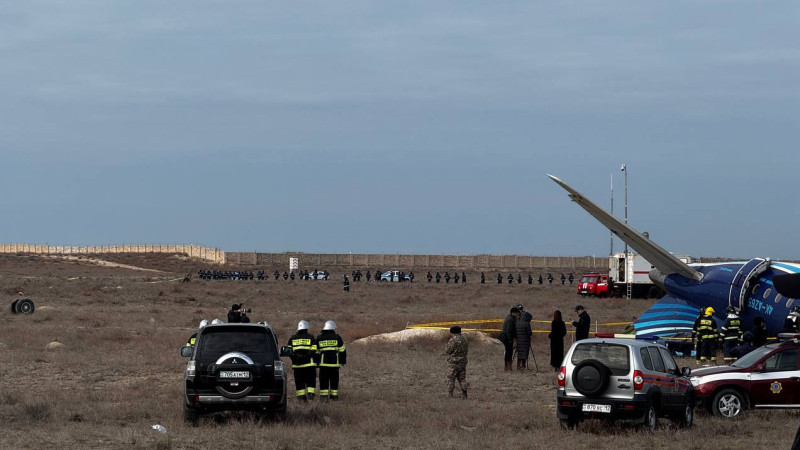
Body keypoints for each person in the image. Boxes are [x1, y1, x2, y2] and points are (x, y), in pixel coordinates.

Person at [286, 320, 318, 400]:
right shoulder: (310, 337)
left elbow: (288, 351)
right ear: (307, 328)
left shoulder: (292, 338)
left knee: (299, 382)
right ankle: (311, 395)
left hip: (297, 366)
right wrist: (306, 357)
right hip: (309, 365)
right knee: (310, 381)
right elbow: (314, 350)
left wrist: (295, 358)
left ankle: (301, 397)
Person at [315, 320, 346, 400]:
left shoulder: (319, 338)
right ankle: (334, 397)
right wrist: (342, 361)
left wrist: (316, 363)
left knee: (323, 381)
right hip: (334, 364)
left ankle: (323, 397)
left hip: (323, 365)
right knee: (334, 381)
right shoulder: (337, 337)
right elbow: (342, 350)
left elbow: (315, 351)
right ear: (333, 329)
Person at [445, 326, 469, 398]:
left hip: (453, 363)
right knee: (462, 379)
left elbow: (448, 351)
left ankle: (450, 395)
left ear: (453, 332)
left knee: (451, 379)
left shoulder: (453, 340)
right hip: (463, 362)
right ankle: (464, 394)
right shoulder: (465, 339)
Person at [499, 307, 520, 371]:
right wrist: (510, 339)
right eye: (517, 313)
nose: (518, 314)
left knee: (508, 353)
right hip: (507, 338)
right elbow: (508, 331)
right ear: (513, 313)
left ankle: (507, 367)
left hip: (506, 337)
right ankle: (508, 367)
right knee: (509, 353)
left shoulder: (509, 318)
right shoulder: (510, 320)